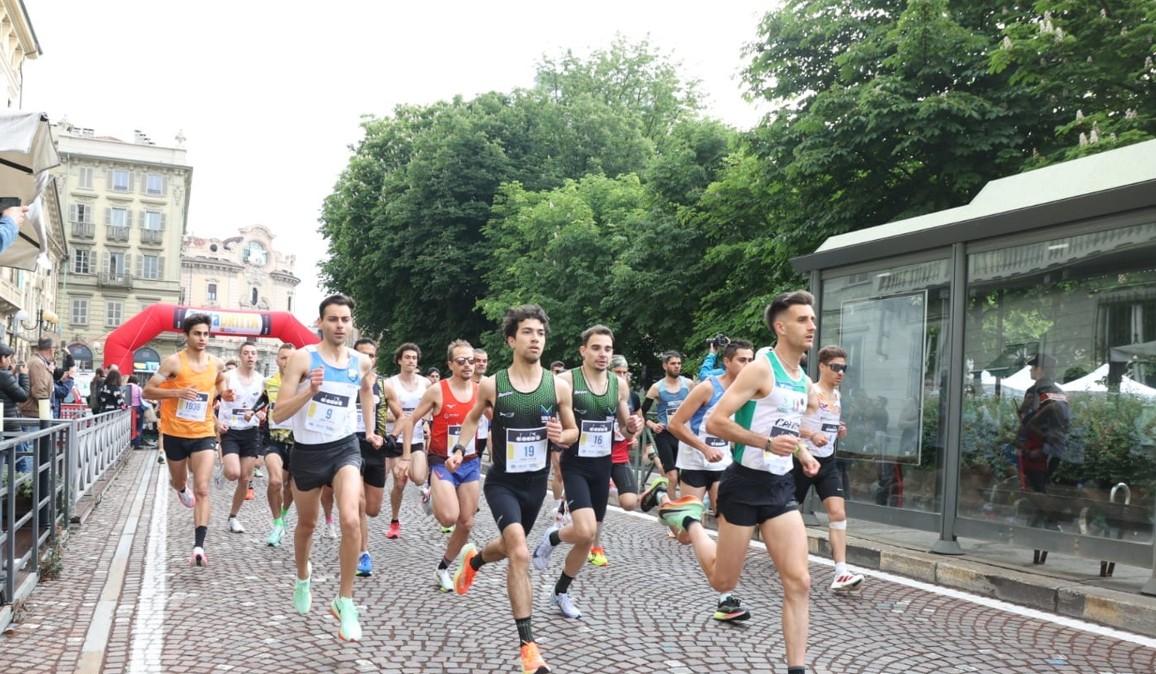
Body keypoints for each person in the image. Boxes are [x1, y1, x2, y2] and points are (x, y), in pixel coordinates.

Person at [657, 290, 821, 674]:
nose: (811, 326)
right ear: (781, 327)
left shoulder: (802, 380)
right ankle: (690, 520)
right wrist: (766, 444)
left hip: (779, 487)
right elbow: (716, 422)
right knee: (722, 581)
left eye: (812, 319)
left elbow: (785, 429)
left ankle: (796, 669)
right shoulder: (761, 369)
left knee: (799, 581)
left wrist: (802, 453)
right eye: (802, 319)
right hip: (744, 484)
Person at [451, 304, 578, 674]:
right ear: (511, 339)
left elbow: (573, 431)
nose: (535, 339)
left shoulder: (558, 386)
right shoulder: (493, 384)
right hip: (502, 482)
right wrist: (459, 448)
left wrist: (562, 435)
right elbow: (471, 419)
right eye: (527, 332)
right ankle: (529, 648)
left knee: (510, 545)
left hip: (535, 485)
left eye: (540, 333)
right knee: (519, 551)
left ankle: (474, 561)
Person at [271, 294, 380, 642]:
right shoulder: (304, 358)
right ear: (320, 322)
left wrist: (369, 429)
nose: (340, 326)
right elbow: (279, 413)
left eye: (345, 319)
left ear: (351, 323)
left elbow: (367, 390)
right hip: (307, 452)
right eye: (333, 319)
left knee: (351, 518)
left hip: (344, 448)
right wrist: (310, 391)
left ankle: (344, 600)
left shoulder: (361, 362)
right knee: (307, 524)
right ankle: (303, 577)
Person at [531, 325, 641, 620]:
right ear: (583, 351)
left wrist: (632, 427)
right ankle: (553, 537)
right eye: (596, 348)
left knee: (587, 538)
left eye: (608, 349)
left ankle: (560, 591)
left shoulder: (618, 385)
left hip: (602, 464)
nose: (603, 354)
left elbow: (624, 428)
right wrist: (552, 434)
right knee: (584, 529)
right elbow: (544, 415)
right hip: (575, 463)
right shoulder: (566, 381)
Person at [665, 339, 754, 621]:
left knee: (727, 525)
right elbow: (675, 424)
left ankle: (726, 598)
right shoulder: (707, 388)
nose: (748, 365)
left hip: (724, 466)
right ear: (727, 362)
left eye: (751, 360)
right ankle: (663, 499)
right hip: (695, 462)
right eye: (742, 360)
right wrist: (704, 448)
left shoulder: (747, 392)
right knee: (684, 537)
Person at [144, 314, 233, 567]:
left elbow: (220, 381)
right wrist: (177, 392)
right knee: (180, 480)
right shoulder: (174, 362)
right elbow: (148, 390)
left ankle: (198, 546)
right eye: (197, 334)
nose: (202, 338)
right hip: (175, 433)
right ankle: (181, 489)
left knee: (202, 488)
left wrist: (224, 393)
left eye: (206, 334)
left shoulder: (215, 363)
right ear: (187, 335)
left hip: (203, 432)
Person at [398, 340, 483, 592]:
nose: (467, 365)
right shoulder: (437, 391)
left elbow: (496, 421)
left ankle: (443, 568)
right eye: (461, 361)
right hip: (441, 460)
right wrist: (406, 457)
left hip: (470, 461)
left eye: (471, 360)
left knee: (466, 523)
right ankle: (432, 494)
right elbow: (410, 420)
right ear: (450, 364)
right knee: (448, 517)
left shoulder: (481, 391)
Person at [796, 345, 864, 592]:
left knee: (837, 513)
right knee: (784, 514)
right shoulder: (809, 392)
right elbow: (790, 424)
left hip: (826, 462)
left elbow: (828, 424)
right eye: (835, 367)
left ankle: (841, 572)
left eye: (844, 368)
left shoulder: (837, 395)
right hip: (801, 459)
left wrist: (838, 430)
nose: (840, 373)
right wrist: (812, 435)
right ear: (822, 366)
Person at [587, 354, 643, 567]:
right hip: (598, 455)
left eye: (624, 372)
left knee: (629, 503)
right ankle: (595, 547)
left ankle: (654, 494)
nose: (622, 376)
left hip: (620, 455)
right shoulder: (598, 393)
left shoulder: (632, 396)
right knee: (597, 504)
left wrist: (634, 434)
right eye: (617, 372)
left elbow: (639, 420)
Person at [381, 342, 429, 540]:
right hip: (396, 438)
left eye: (414, 358)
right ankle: (394, 521)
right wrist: (401, 417)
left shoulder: (426, 383)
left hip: (416, 438)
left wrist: (425, 421)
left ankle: (429, 492)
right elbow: (383, 412)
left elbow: (432, 408)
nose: (411, 361)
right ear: (399, 360)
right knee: (399, 483)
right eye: (407, 357)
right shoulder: (390, 383)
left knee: (419, 478)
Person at [217, 342, 266, 534]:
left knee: (245, 478)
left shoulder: (261, 380)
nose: (250, 356)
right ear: (240, 356)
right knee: (233, 473)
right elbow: (211, 399)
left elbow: (263, 405)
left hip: (250, 431)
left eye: (253, 353)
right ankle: (223, 470)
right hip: (230, 430)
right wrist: (216, 422)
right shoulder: (228, 377)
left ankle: (233, 517)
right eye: (246, 353)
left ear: (257, 356)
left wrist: (261, 414)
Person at [254, 343, 296, 547]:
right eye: (283, 357)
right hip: (274, 440)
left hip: (297, 443)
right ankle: (277, 523)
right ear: (277, 360)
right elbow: (262, 400)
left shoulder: (304, 383)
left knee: (291, 487)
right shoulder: (269, 382)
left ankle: (284, 515)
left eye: (291, 358)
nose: (287, 362)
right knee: (276, 482)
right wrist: (252, 411)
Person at [352, 338, 386, 575]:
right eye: (362, 355)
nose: (367, 359)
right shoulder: (344, 381)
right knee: (359, 502)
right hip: (350, 446)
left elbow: (404, 414)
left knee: (372, 509)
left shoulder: (383, 385)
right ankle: (363, 552)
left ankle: (356, 534)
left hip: (375, 448)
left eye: (371, 355)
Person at [1017, 353, 1071, 495]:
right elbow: (1064, 423)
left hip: (1038, 452)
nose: (1030, 370)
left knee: (1037, 493)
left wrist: (1040, 450)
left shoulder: (1037, 392)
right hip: (1050, 450)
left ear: (1040, 369)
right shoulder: (1058, 392)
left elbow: (1029, 422)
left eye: (1033, 367)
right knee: (1039, 490)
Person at [643, 351, 691, 499]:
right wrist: (652, 425)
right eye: (673, 363)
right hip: (665, 435)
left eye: (679, 363)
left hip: (684, 434)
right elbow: (641, 412)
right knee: (672, 476)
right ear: (665, 366)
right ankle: (671, 507)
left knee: (686, 477)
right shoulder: (657, 388)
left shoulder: (688, 384)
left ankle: (683, 505)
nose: (677, 366)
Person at [0, 344, 30, 474]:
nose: (10, 361)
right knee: (19, 461)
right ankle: (20, 485)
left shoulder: (6, 375)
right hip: (9, 425)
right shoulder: (4, 376)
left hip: (4, 423)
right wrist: (24, 375)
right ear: (2, 358)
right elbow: (22, 396)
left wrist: (10, 374)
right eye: (9, 358)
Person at [19, 337, 53, 421]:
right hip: (33, 413)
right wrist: (46, 411)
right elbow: (39, 390)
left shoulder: (38, 361)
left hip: (33, 411)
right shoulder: (37, 363)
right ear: (51, 350)